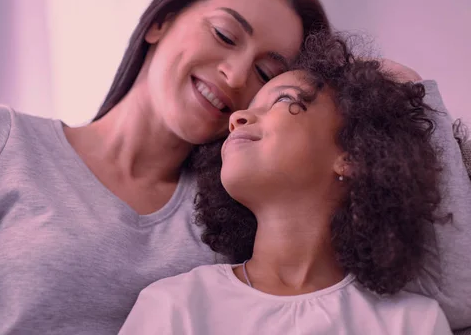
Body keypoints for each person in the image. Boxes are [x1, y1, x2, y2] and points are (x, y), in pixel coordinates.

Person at [0, 0, 468, 334]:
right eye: (223, 33)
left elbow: (457, 298)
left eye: (268, 73)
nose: (235, 77)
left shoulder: (237, 222)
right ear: (160, 19)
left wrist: (414, 95)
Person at [119, 34, 453, 334]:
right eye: (247, 109)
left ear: (354, 154)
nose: (237, 118)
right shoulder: (174, 306)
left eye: (281, 100)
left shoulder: (411, 323)